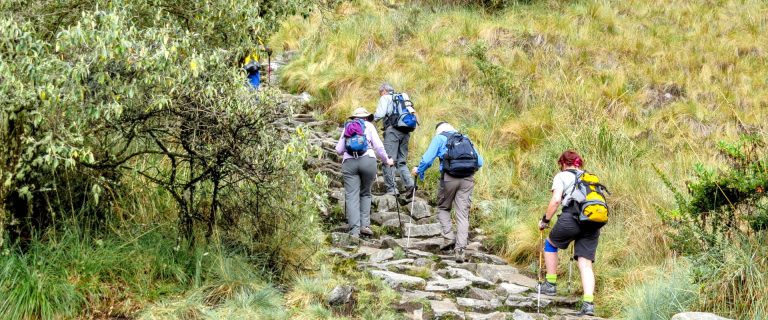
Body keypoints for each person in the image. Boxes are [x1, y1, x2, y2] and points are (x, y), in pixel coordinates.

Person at [538, 150, 601, 316]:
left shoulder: (562, 176)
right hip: (592, 222)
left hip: (571, 217)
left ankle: (550, 284)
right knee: (586, 263)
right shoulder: (589, 177)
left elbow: (556, 200)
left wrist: (545, 220)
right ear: (578, 163)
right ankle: (588, 303)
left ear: (562, 163)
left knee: (550, 244)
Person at [412, 122, 483, 263]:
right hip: (467, 179)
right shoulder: (465, 138)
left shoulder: (439, 138)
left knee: (443, 207)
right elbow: (480, 162)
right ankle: (461, 250)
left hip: (449, 178)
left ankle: (449, 237)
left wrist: (418, 171)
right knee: (463, 214)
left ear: (438, 131)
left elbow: (427, 159)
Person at [336, 108, 394, 238]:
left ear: (354, 117)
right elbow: (379, 147)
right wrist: (386, 160)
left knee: (351, 195)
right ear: (367, 117)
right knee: (366, 193)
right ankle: (365, 226)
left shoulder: (348, 127)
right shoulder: (370, 126)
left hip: (349, 163)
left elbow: (339, 149)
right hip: (368, 160)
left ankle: (354, 230)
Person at [373, 83, 416, 197]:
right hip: (406, 131)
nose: (380, 95)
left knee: (388, 160)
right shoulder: (402, 98)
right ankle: (410, 184)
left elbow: (379, 114)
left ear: (384, 91)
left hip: (393, 132)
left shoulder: (385, 97)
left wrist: (372, 119)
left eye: (380, 93)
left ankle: (392, 189)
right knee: (401, 161)